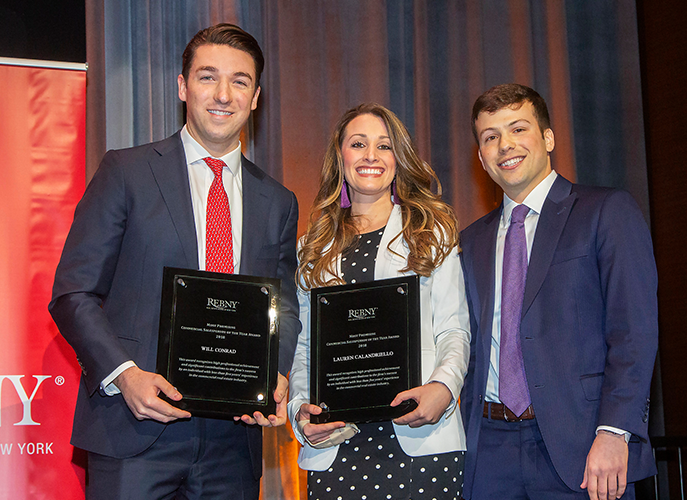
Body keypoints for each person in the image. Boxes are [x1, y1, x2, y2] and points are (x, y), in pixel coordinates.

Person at [48, 23, 301, 499]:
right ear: (183, 86)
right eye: (208, 77)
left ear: (256, 96)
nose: (223, 94)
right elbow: (73, 292)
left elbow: (284, 306)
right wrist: (125, 377)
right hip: (135, 430)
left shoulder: (279, 201)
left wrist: (275, 374)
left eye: (240, 81)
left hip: (234, 440)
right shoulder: (125, 171)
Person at [459, 84, 658, 500]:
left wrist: (614, 431)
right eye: (490, 137)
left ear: (548, 138)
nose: (505, 145)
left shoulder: (606, 211)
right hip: (487, 454)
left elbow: (633, 331)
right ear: (480, 156)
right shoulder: (469, 242)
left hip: (584, 447)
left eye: (518, 129)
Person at [288, 103, 470, 500]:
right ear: (341, 157)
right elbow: (303, 349)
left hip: (421, 441)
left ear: (398, 158)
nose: (371, 156)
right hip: (336, 450)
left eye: (384, 146)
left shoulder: (431, 232)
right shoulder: (311, 248)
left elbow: (454, 329)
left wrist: (443, 387)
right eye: (358, 144)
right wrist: (300, 413)